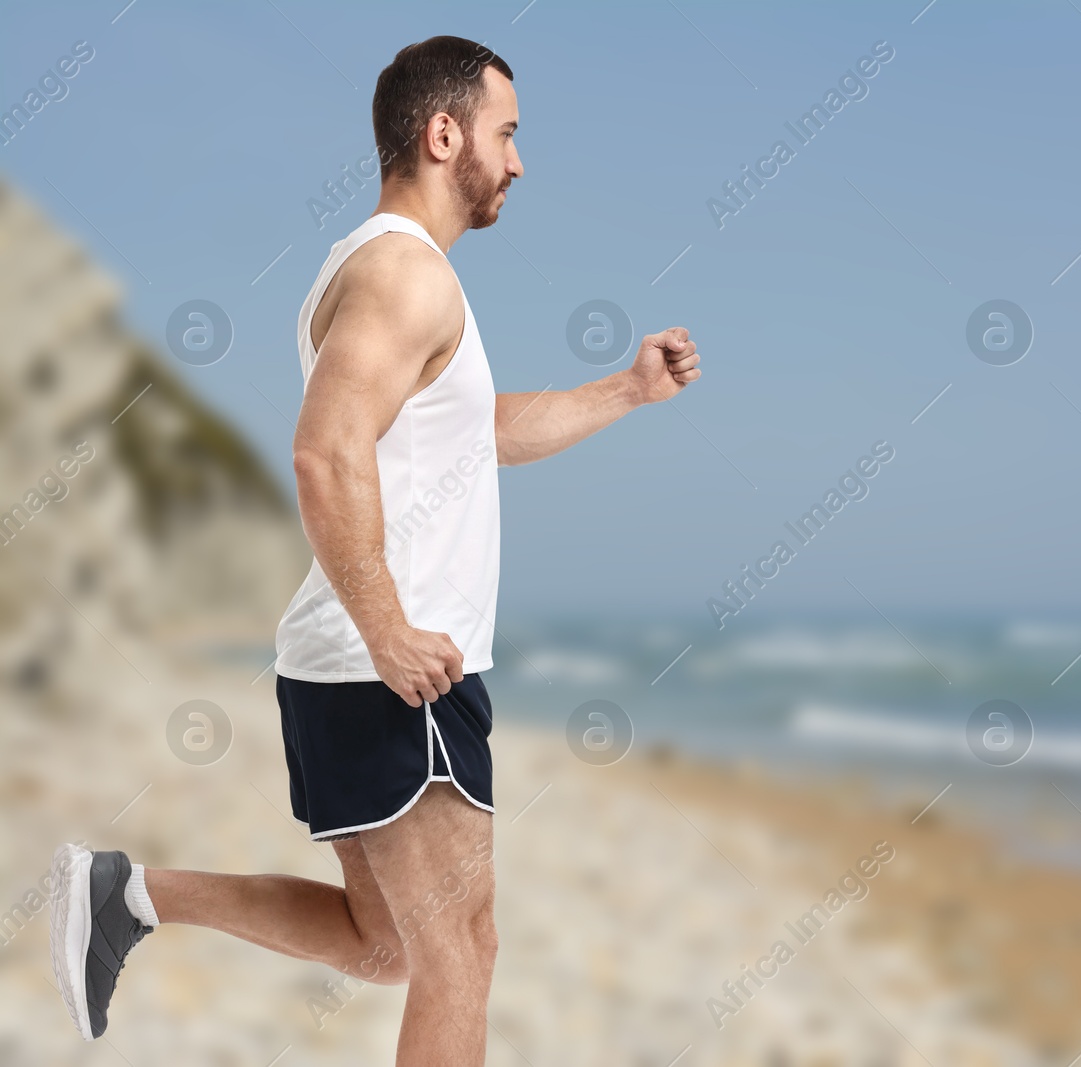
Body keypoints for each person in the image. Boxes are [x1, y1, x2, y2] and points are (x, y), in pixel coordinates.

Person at [48, 35, 701, 1065]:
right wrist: (389, 626)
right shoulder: (405, 274)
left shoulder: (396, 274)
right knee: (464, 951)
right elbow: (322, 452)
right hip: (390, 667)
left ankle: (122, 893)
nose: (520, 160)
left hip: (363, 663)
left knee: (391, 943)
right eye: (508, 132)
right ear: (445, 135)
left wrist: (625, 389)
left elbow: (474, 437)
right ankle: (119, 891)